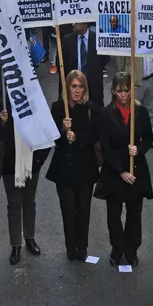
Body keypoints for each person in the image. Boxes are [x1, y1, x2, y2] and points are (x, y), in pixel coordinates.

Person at [95, 73, 153, 268]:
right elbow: (105, 145)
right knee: (114, 215)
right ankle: (117, 248)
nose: (123, 94)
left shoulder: (141, 111)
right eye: (119, 90)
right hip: (114, 172)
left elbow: (147, 138)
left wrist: (139, 149)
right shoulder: (106, 113)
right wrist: (121, 171)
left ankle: (131, 249)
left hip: (136, 170)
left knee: (134, 215)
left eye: (126, 90)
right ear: (113, 91)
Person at [47, 70, 99, 260]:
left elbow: (95, 135)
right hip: (64, 169)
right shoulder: (58, 108)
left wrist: (77, 138)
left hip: (85, 168)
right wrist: (62, 129)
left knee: (84, 211)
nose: (77, 90)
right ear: (67, 87)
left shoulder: (91, 108)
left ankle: (82, 246)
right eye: (73, 86)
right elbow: (52, 138)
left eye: (80, 87)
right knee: (68, 211)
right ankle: (70, 246)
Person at [0, 94, 48, 265]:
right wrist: (0, 122)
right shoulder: (1, 104)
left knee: (29, 201)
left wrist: (38, 161)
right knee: (14, 204)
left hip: (31, 164)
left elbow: (46, 134)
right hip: (9, 165)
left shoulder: (35, 103)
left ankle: (30, 238)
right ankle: (16, 244)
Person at [61, 22, 104, 108]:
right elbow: (62, 62)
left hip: (94, 87)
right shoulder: (67, 40)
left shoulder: (98, 39)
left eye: (76, 23)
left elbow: (104, 59)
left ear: (84, 25)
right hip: (74, 86)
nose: (73, 24)